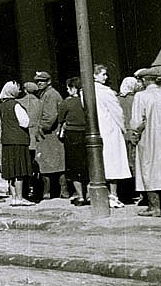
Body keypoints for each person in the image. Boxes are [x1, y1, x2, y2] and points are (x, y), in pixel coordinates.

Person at [131, 68, 161, 217]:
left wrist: (135, 134)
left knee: (149, 169)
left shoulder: (141, 96)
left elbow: (138, 121)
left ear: (145, 80)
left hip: (149, 138)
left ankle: (154, 207)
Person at [93, 64, 131, 208]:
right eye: (103, 74)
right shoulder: (106, 92)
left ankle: (105, 194)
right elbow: (117, 112)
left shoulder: (85, 92)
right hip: (110, 129)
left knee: (101, 163)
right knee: (114, 162)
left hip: (97, 129)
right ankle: (113, 195)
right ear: (95, 75)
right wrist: (123, 127)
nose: (106, 77)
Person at [0, 81, 34, 206]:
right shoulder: (16, 105)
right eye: (17, 89)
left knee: (11, 172)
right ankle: (20, 197)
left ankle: (14, 198)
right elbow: (25, 122)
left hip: (7, 141)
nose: (19, 91)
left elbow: (1, 124)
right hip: (18, 141)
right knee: (19, 171)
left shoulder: (0, 107)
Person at [35, 71, 68, 199]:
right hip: (48, 135)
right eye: (37, 81)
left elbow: (50, 116)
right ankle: (55, 191)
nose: (39, 83)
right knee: (54, 162)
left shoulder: (50, 95)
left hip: (50, 134)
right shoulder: (46, 94)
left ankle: (53, 191)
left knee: (53, 163)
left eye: (41, 81)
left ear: (48, 81)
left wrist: (41, 127)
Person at [58, 77, 89, 206]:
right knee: (86, 165)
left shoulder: (67, 102)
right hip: (85, 134)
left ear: (73, 88)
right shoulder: (85, 101)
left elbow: (60, 118)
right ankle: (88, 194)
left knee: (74, 166)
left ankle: (80, 196)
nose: (67, 90)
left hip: (71, 135)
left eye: (68, 88)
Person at [118, 76, 140, 203]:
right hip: (133, 133)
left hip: (122, 134)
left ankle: (125, 192)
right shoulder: (136, 99)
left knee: (125, 163)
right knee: (135, 163)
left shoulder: (118, 99)